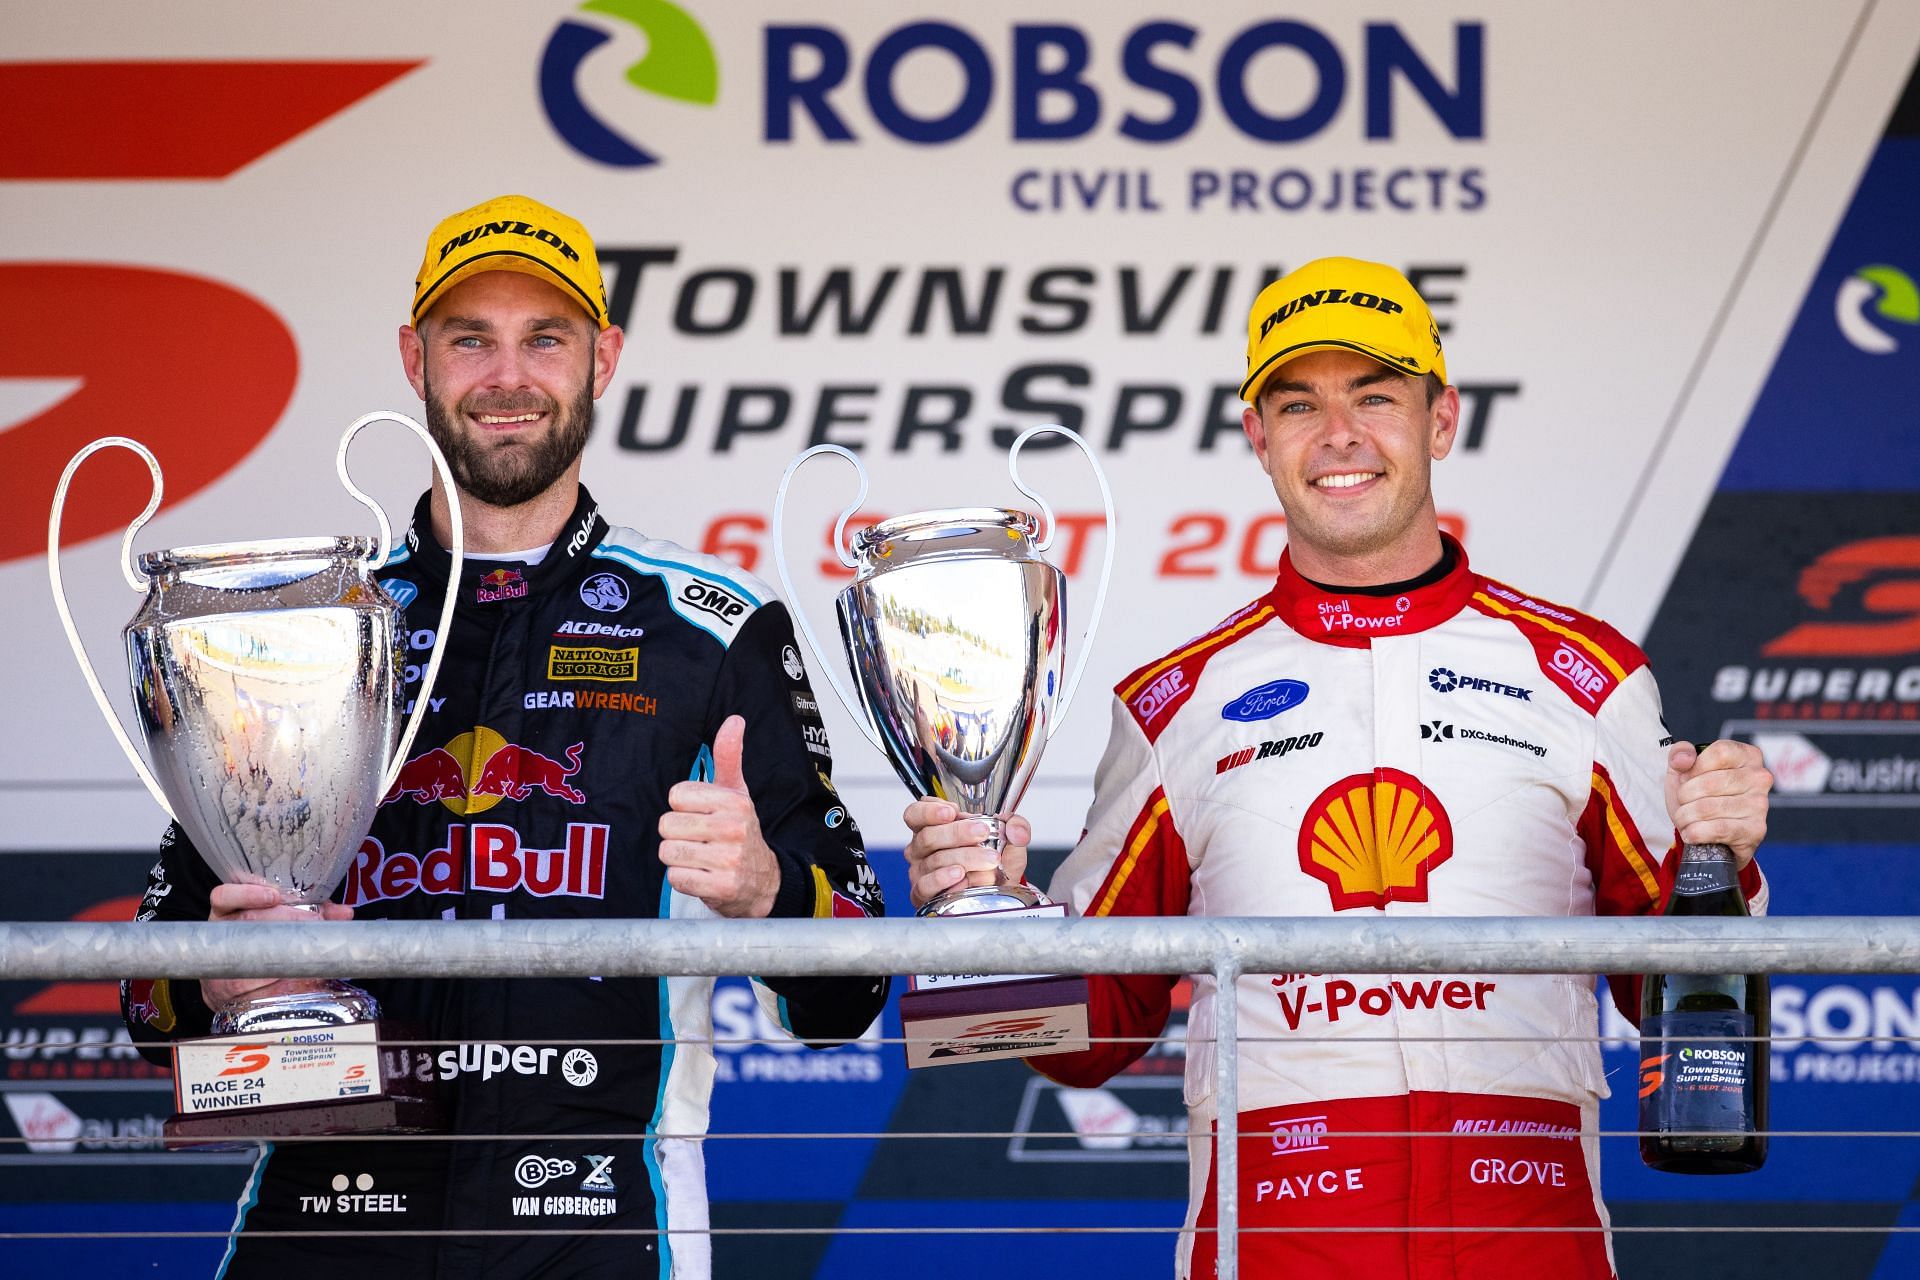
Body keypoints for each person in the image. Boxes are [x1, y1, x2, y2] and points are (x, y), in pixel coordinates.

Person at [903, 257, 1773, 1278]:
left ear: (1442, 420)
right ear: (1257, 437)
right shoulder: (1175, 703)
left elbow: (1666, 991)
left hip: (1527, 1243)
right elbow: (1091, 1038)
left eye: (1376, 396)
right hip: (1275, 1244)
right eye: (1300, 402)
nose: (1340, 434)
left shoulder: (1585, 675)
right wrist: (973, 927)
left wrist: (1730, 860)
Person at [120, 194, 889, 1279]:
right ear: (414, 357)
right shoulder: (303, 627)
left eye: (546, 338)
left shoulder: (712, 627)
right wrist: (211, 974)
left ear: (604, 357)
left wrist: (767, 891)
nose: (507, 376)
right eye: (470, 338)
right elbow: (148, 1005)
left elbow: (850, 994)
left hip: (605, 1236)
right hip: (320, 1234)